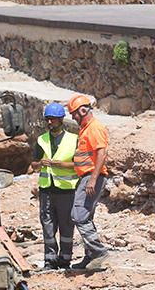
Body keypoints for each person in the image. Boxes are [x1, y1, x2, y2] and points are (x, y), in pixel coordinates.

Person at [28, 102, 78, 269]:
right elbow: (33, 165)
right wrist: (39, 164)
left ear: (61, 120)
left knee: (66, 224)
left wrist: (59, 164)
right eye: (48, 119)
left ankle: (65, 258)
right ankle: (50, 259)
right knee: (48, 224)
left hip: (66, 190)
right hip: (46, 189)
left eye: (53, 119)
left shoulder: (73, 140)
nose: (50, 123)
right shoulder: (41, 140)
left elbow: (79, 165)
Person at [67, 94, 110, 271]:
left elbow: (102, 153)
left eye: (74, 114)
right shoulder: (86, 129)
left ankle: (99, 252)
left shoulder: (94, 128)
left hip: (92, 177)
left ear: (83, 110)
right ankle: (90, 256)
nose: (73, 118)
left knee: (78, 215)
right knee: (86, 217)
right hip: (87, 177)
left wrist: (92, 179)